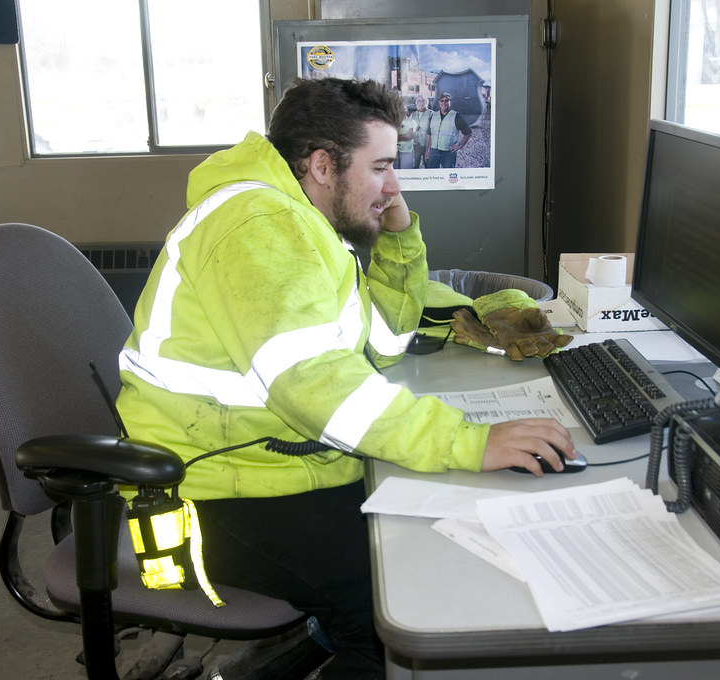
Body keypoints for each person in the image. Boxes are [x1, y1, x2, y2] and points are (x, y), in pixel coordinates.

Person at [116, 77, 575, 679]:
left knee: (428, 536)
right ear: (323, 165)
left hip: (269, 460)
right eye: (381, 166)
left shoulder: (301, 219)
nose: (394, 184)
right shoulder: (258, 226)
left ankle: (312, 637)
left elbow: (381, 337)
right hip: (207, 492)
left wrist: (398, 230)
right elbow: (316, 383)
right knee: (402, 607)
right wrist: (468, 440)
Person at [425, 92, 472, 169]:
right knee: (432, 175)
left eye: (447, 100)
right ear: (439, 102)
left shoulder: (456, 116)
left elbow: (468, 132)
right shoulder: (433, 116)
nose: (444, 103)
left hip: (448, 152)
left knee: (448, 175)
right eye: (442, 100)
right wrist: (426, 151)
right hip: (434, 151)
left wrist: (459, 145)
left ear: (450, 102)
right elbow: (428, 134)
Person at [410, 94, 433, 168]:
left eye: (423, 100)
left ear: (426, 102)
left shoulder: (431, 114)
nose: (421, 103)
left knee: (427, 163)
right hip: (417, 144)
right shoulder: (413, 114)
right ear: (416, 103)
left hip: (427, 144)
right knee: (416, 164)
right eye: (419, 101)